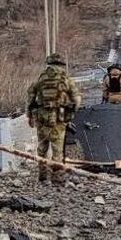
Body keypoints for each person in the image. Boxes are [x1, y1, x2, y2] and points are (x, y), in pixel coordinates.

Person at [27, 53, 81, 184]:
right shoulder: (65, 79)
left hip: (42, 117)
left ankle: (43, 176)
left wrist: (29, 115)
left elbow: (30, 97)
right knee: (57, 149)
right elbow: (76, 98)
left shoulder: (40, 79)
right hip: (58, 118)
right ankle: (57, 177)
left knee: (42, 147)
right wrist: (71, 112)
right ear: (62, 65)